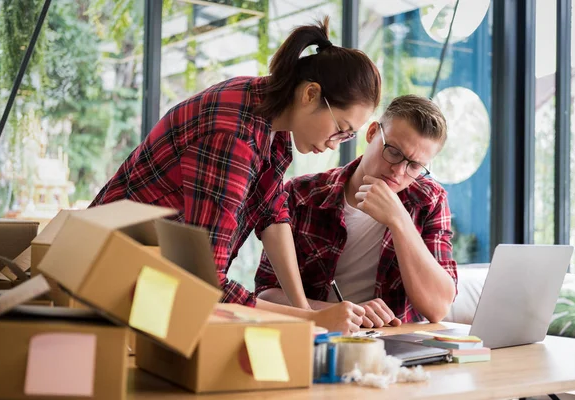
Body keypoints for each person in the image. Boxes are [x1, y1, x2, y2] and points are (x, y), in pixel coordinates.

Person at [90, 17, 382, 333]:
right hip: (109, 277)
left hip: (152, 278)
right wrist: (309, 319)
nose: (333, 144)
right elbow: (205, 278)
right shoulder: (233, 137)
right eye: (340, 129)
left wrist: (304, 311)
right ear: (310, 94)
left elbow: (273, 214)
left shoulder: (272, 112)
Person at [255, 95, 458, 328]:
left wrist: (399, 219)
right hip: (318, 335)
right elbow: (265, 293)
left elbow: (438, 308)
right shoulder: (302, 194)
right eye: (393, 152)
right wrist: (337, 313)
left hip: (395, 346)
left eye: (414, 166)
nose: (398, 172)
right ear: (372, 133)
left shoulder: (429, 200)